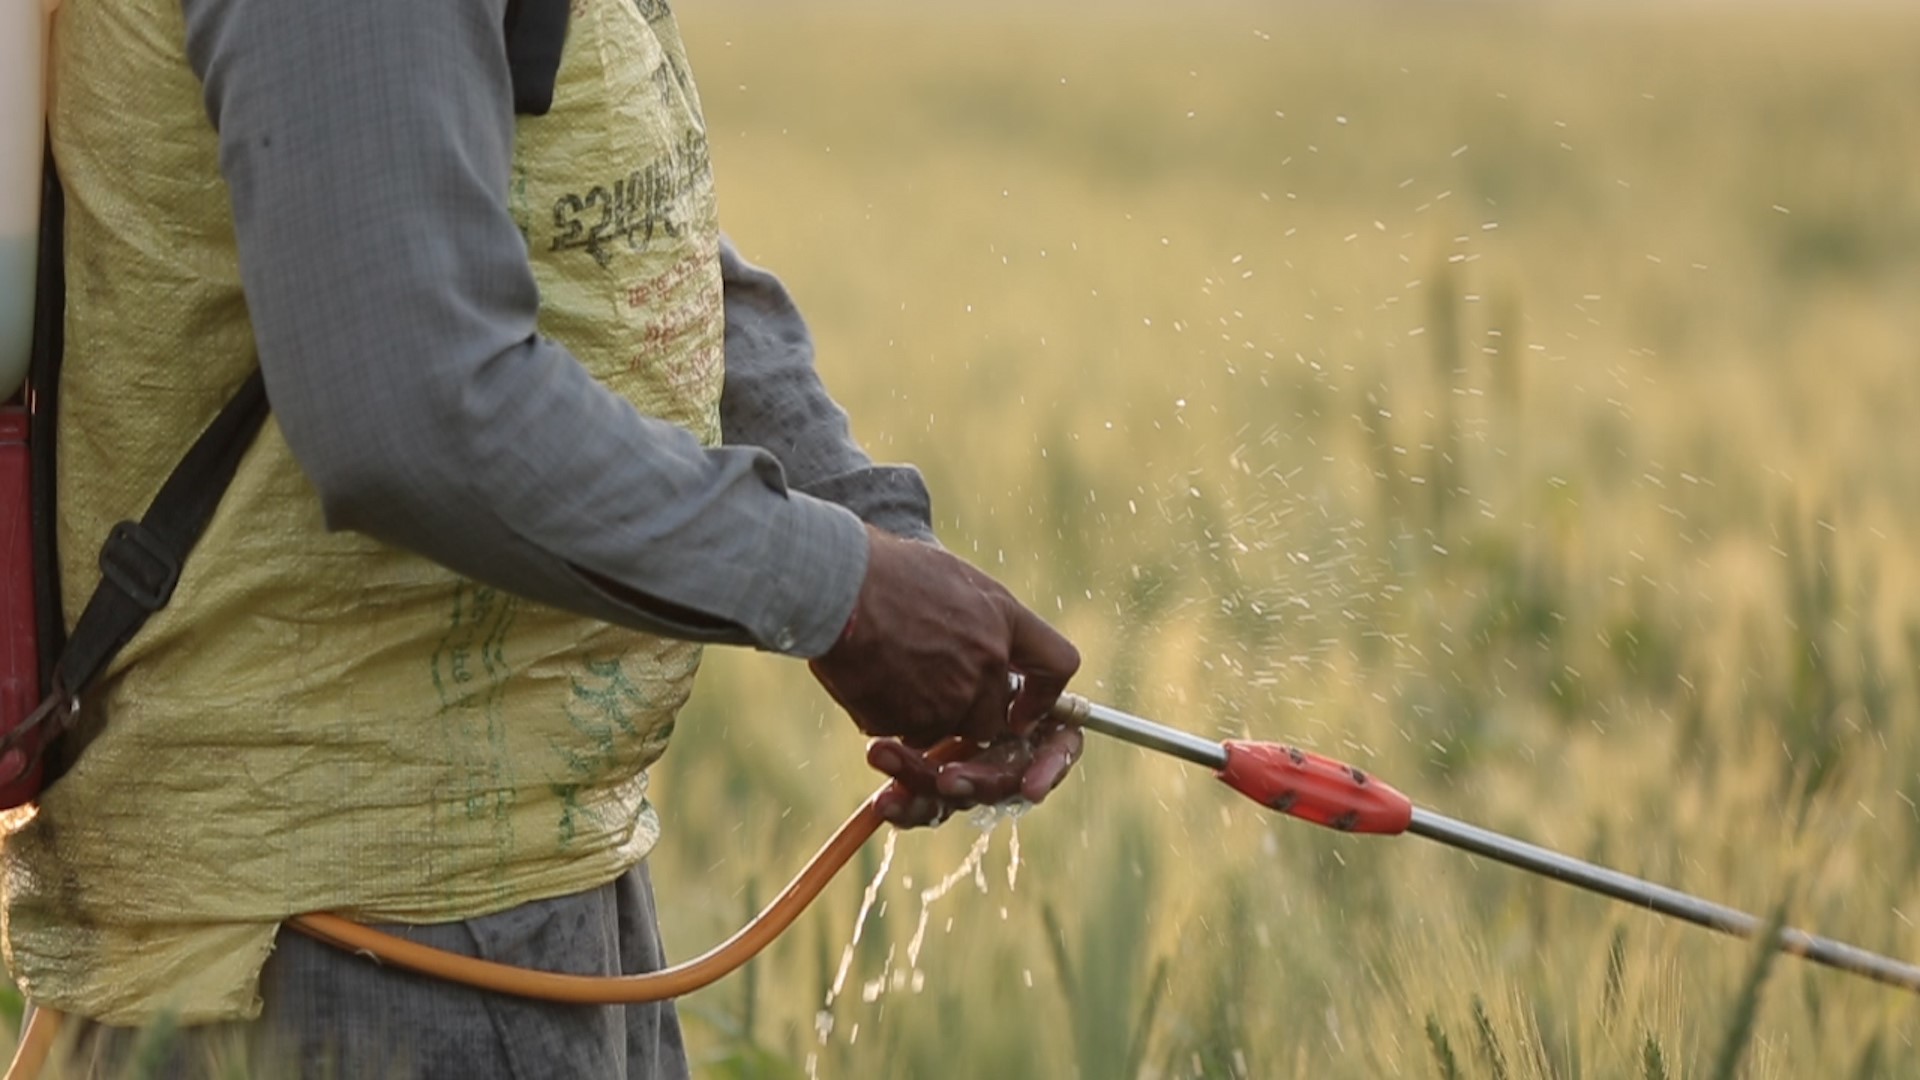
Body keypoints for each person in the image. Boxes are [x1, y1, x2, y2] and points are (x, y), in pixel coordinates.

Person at [2, 0, 1083, 1075]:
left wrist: (872, 531)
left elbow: (603, 235)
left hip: (534, 896)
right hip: (328, 946)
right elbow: (411, 406)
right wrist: (842, 589)